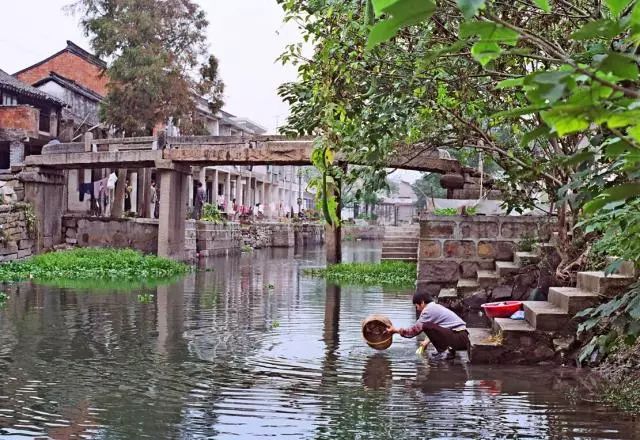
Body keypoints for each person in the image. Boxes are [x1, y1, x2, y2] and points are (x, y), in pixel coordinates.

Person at [386, 292, 470, 360]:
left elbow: (414, 331)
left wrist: (395, 330)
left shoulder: (428, 310)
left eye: (417, 306)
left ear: (422, 302)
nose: (417, 309)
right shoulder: (435, 307)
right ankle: (447, 351)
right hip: (461, 336)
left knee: (426, 325)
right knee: (428, 326)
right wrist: (427, 341)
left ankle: (444, 352)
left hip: (459, 338)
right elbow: (438, 328)